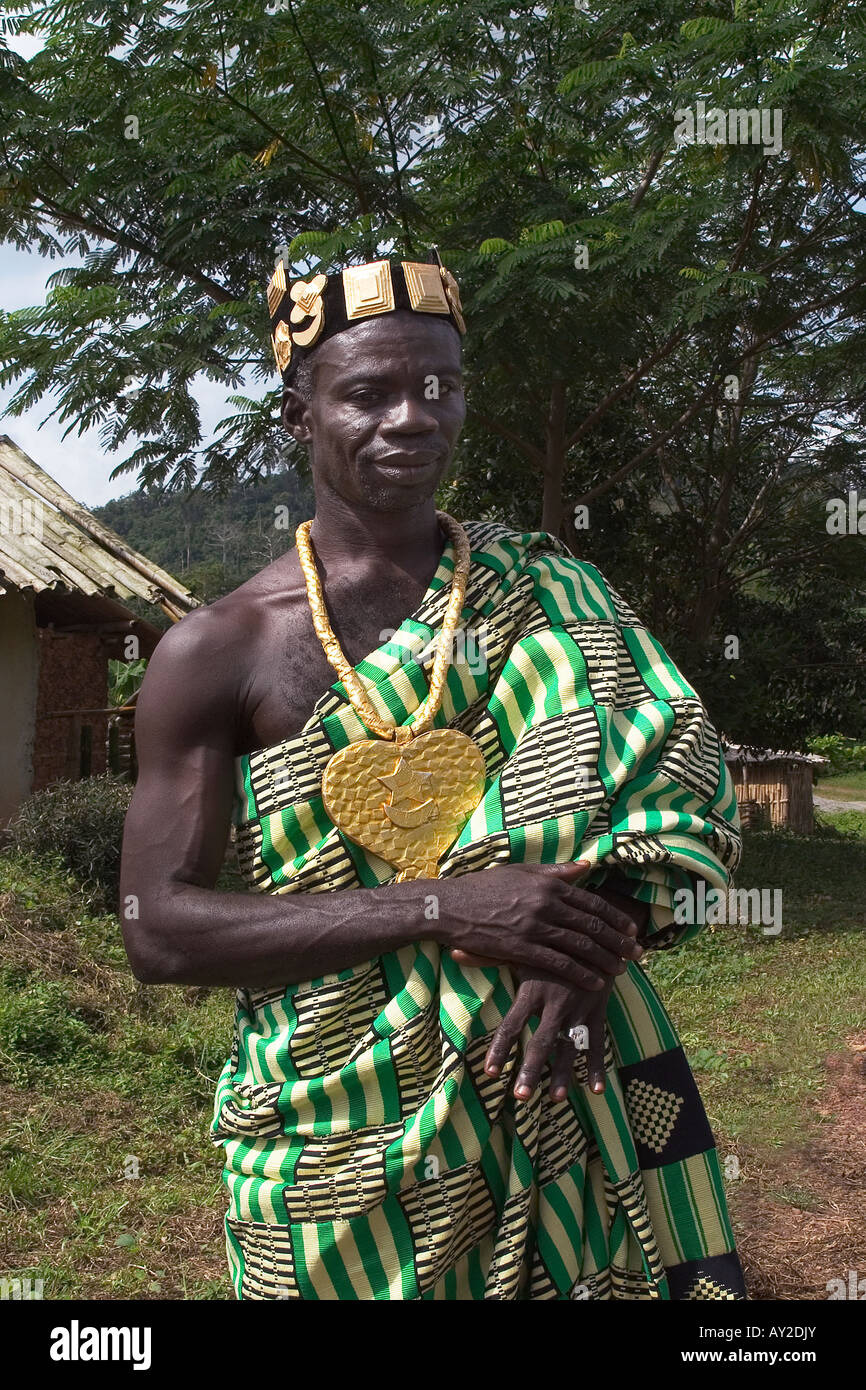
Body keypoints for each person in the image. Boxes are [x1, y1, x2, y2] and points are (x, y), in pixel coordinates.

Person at [120, 254, 747, 1301]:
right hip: (337, 1136)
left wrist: (587, 940)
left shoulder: (554, 589)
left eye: (438, 387)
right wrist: (444, 905)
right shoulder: (215, 649)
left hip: (565, 1073)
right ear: (295, 414)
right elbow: (158, 927)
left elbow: (679, 789)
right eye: (367, 392)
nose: (411, 418)